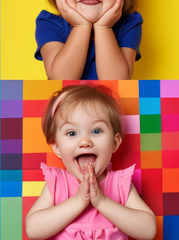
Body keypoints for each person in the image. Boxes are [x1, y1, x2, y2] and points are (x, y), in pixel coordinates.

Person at [26, 84, 156, 240]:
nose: (85, 141)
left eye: (96, 131)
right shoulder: (57, 183)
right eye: (72, 133)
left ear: (114, 143)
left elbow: (148, 231)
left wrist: (102, 202)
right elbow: (33, 230)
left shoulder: (120, 184)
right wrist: (78, 201)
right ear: (57, 147)